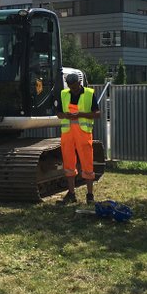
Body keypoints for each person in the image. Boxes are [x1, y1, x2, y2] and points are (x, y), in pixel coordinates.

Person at [57, 72, 100, 205]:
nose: (73, 89)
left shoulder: (88, 93)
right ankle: (71, 194)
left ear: (79, 83)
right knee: (69, 164)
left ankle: (90, 195)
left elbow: (97, 113)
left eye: (75, 86)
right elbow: (58, 113)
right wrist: (65, 115)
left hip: (83, 134)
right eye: (71, 87)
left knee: (87, 163)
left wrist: (81, 114)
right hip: (67, 134)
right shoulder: (64, 94)